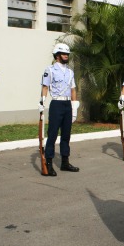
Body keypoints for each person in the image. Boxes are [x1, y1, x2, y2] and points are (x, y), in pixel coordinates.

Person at [39, 43, 80, 176]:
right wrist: (42, 101)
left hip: (67, 104)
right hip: (56, 104)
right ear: (57, 55)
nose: (66, 56)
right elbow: (45, 87)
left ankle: (65, 162)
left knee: (66, 135)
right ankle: (49, 163)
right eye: (64, 54)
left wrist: (74, 107)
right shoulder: (49, 70)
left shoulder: (70, 72)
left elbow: (73, 89)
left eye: (67, 54)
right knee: (52, 135)